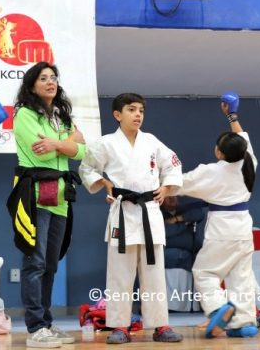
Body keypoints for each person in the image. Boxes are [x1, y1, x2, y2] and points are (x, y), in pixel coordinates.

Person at [79, 93, 184, 345]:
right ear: (117, 115)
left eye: (141, 111)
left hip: (149, 211)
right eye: (131, 110)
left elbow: (173, 165)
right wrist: (104, 183)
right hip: (123, 212)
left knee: (154, 274)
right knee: (119, 274)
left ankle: (160, 325)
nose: (138, 115)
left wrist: (166, 188)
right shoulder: (106, 143)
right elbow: (86, 168)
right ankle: (119, 326)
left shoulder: (151, 141)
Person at [10, 62, 85, 348]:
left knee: (51, 265)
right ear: (32, 85)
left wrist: (56, 143)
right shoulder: (25, 114)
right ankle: (35, 328)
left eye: (53, 77)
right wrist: (68, 141)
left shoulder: (61, 116)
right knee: (35, 262)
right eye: (43, 78)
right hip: (34, 195)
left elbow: (83, 150)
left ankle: (47, 323)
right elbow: (40, 154)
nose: (50, 82)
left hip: (61, 198)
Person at [177, 94, 259, 338]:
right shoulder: (249, 161)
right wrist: (232, 116)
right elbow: (242, 138)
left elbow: (178, 184)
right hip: (244, 228)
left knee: (205, 272)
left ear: (219, 153)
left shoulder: (210, 172)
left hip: (222, 230)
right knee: (241, 277)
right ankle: (244, 323)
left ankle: (217, 308)